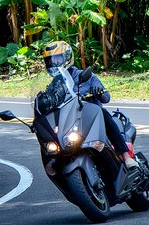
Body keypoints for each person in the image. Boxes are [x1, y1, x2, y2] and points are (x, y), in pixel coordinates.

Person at [41, 41, 142, 175]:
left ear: (67, 57)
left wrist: (98, 91)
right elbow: (49, 104)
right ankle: (57, 159)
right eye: (51, 61)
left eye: (58, 59)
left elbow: (106, 98)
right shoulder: (54, 85)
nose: (54, 64)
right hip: (71, 120)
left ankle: (126, 157)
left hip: (92, 117)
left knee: (104, 114)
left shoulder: (85, 75)